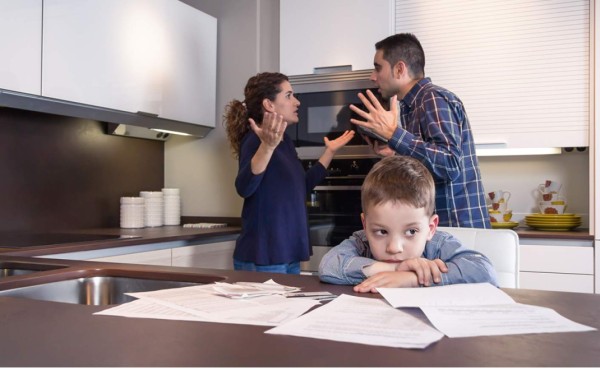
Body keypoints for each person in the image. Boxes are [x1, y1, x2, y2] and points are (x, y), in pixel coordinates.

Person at [349, 33, 490, 229]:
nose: (372, 77)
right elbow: (429, 165)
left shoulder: (432, 98)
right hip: (439, 230)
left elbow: (449, 164)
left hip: (458, 230)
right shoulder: (409, 107)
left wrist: (393, 134)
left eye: (377, 68)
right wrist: (395, 153)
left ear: (399, 69)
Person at [223, 72, 355, 274]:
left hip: (287, 254)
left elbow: (302, 186)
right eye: (288, 96)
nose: (297, 102)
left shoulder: (284, 143)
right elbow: (244, 187)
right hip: (265, 256)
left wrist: (330, 151)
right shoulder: (255, 140)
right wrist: (267, 147)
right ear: (269, 104)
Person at [318, 156, 497, 292]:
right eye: (381, 231)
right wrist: (395, 268)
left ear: (431, 228)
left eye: (411, 231)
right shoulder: (361, 241)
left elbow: (485, 272)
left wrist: (412, 278)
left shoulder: (439, 244)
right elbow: (328, 267)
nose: (394, 248)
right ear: (365, 225)